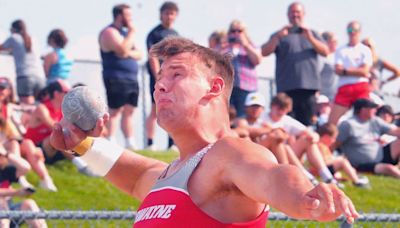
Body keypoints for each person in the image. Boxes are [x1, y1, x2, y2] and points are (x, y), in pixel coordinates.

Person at [51, 37, 358, 226]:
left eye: (177, 74)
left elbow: (272, 175)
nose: (160, 85)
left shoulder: (230, 153)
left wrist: (304, 197)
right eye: (159, 78)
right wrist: (83, 145)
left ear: (213, 89)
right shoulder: (170, 175)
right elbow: (133, 176)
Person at [261, 2, 329, 126]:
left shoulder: (312, 33)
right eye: (292, 12)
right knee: (285, 124)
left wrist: (310, 38)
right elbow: (264, 52)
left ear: (303, 14)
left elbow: (325, 51)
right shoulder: (280, 34)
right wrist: (277, 37)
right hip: (286, 88)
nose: (295, 15)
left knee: (306, 125)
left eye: (298, 12)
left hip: (308, 88)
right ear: (288, 15)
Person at [264, 93, 341, 186]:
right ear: (272, 106)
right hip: (267, 155)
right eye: (279, 109)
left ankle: (326, 176)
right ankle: (306, 176)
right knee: (283, 145)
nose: (281, 112)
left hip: (285, 155)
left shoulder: (286, 120)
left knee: (307, 140)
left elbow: (312, 133)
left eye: (284, 110)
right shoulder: (262, 117)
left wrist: (313, 137)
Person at [23, 80, 96, 177]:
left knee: (77, 135)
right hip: (36, 149)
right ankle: (82, 167)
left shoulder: (63, 110)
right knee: (60, 135)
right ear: (57, 94)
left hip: (54, 149)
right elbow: (55, 127)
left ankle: (92, 163)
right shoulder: (42, 108)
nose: (70, 96)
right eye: (67, 92)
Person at [0, 77, 57, 191]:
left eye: (3, 89)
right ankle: (19, 175)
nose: (1, 91)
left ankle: (45, 178)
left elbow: (18, 128)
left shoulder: (9, 107)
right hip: (5, 143)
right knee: (14, 143)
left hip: (9, 140)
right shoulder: (7, 108)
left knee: (29, 145)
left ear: (9, 91)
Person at [99, 4, 142, 150]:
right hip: (115, 77)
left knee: (129, 110)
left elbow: (139, 54)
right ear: (119, 16)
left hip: (131, 78)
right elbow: (123, 50)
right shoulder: (109, 32)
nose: (130, 19)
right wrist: (131, 34)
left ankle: (130, 142)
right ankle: (111, 139)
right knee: (115, 110)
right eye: (128, 16)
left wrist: (127, 51)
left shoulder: (124, 35)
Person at [334, 98, 400, 178]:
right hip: (363, 164)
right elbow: (335, 144)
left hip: (381, 155)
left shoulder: (375, 121)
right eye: (372, 108)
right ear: (363, 110)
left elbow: (395, 132)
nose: (375, 110)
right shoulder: (348, 125)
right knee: (389, 169)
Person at [145, 1, 179, 151]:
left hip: (173, 78)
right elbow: (152, 55)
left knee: (172, 109)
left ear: (175, 15)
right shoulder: (154, 34)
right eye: (166, 13)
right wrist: (158, 75)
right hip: (158, 78)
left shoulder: (176, 35)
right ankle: (150, 143)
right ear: (161, 15)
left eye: (172, 13)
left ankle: (171, 144)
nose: (169, 16)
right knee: (155, 109)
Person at [328, 21, 373, 125]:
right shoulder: (340, 50)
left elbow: (365, 71)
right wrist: (356, 70)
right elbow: (338, 70)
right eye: (350, 30)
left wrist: (346, 70)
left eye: (355, 30)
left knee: (366, 119)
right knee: (331, 123)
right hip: (344, 88)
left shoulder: (365, 50)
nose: (352, 33)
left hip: (361, 87)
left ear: (359, 32)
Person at [222, 20, 262, 119]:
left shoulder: (251, 45)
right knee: (227, 117)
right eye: (233, 31)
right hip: (228, 88)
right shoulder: (224, 46)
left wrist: (245, 45)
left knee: (244, 117)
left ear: (245, 32)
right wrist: (224, 44)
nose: (236, 34)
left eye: (239, 31)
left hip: (247, 89)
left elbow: (257, 60)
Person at [0, 19, 45, 105]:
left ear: (13, 29)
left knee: (27, 109)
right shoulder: (33, 39)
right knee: (39, 107)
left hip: (25, 77)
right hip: (40, 77)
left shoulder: (14, 38)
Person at [0, 148, 48, 228]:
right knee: (1, 202)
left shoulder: (4, 171)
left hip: (9, 210)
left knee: (29, 204)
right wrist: (16, 192)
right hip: (3, 211)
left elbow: (25, 168)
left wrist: (6, 153)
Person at [316, 123, 370, 188]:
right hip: (319, 171)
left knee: (340, 169)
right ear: (326, 137)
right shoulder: (320, 146)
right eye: (333, 138)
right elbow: (322, 162)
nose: (334, 141)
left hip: (324, 170)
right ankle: (357, 181)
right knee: (342, 161)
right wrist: (336, 160)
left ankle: (354, 176)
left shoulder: (324, 146)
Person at [320, 31, 338, 101]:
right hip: (323, 96)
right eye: (334, 41)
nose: (336, 44)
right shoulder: (321, 57)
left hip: (335, 95)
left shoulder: (337, 57)